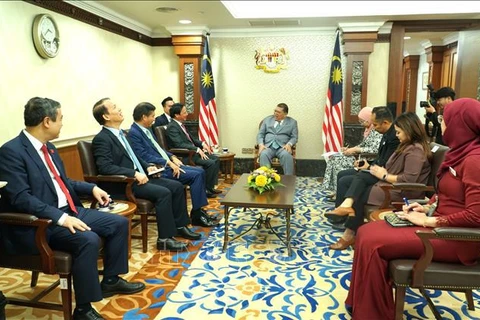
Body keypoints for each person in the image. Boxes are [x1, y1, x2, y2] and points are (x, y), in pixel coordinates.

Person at [0, 97, 145, 320]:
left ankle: (111, 280)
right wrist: (60, 217)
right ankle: (83, 309)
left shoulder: (49, 148)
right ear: (47, 121)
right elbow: (20, 198)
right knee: (87, 239)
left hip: (68, 209)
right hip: (41, 222)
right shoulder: (11, 151)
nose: (62, 123)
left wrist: (92, 187)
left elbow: (63, 181)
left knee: (118, 223)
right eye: (60, 119)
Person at [345, 98, 480, 320]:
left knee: (373, 240)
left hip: (457, 238)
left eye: (444, 120)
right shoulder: (463, 153)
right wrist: (427, 205)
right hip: (441, 223)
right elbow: (451, 195)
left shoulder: (475, 160)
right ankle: (366, 304)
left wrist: (430, 221)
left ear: (460, 124)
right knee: (366, 232)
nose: (442, 125)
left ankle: (373, 313)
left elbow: (476, 215)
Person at [91, 98, 201, 252]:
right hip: (125, 184)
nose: (120, 109)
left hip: (141, 178)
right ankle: (164, 239)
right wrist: (134, 173)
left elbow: (134, 157)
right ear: (106, 116)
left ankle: (180, 226)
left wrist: (147, 166)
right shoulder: (101, 139)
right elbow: (105, 167)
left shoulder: (122, 134)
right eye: (115, 107)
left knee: (176, 186)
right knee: (164, 193)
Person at [326, 112, 432, 250]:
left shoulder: (415, 151)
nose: (396, 135)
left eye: (399, 132)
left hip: (401, 191)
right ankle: (348, 211)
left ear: (408, 130)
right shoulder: (406, 145)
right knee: (359, 177)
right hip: (389, 184)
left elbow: (408, 179)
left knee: (359, 192)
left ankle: (349, 232)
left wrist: (384, 176)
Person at [127, 102, 219, 227]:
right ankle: (197, 215)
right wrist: (168, 163)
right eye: (152, 116)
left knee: (200, 172)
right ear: (144, 117)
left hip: (168, 163)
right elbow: (143, 156)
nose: (155, 119)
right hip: (159, 169)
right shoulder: (134, 133)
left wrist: (172, 157)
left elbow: (159, 149)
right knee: (196, 175)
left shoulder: (146, 130)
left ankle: (198, 211)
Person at [326, 106, 400, 230]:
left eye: (375, 125)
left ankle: (344, 212)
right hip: (376, 169)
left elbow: (387, 163)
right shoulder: (386, 133)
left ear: (385, 122)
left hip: (383, 174)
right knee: (343, 175)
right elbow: (380, 157)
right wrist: (366, 164)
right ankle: (341, 214)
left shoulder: (394, 137)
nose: (374, 128)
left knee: (347, 180)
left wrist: (370, 166)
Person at [320, 106, 382, 195]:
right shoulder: (368, 130)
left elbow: (374, 149)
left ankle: (339, 191)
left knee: (338, 161)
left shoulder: (376, 131)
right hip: (359, 156)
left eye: (362, 121)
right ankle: (336, 190)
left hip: (366, 160)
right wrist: (350, 149)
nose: (361, 124)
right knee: (334, 158)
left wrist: (356, 149)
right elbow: (362, 145)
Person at [166, 103, 221, 195]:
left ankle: (209, 187)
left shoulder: (181, 125)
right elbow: (179, 144)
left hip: (193, 153)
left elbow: (191, 139)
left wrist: (202, 143)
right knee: (210, 163)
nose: (187, 114)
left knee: (216, 159)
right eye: (184, 112)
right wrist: (196, 149)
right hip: (185, 155)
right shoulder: (172, 127)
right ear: (176, 115)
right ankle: (205, 190)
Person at [256, 103, 298, 175]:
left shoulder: (292, 122)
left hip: (283, 147)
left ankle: (289, 180)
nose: (275, 113)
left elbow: (294, 137)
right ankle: (266, 179)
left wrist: (289, 144)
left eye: (278, 112)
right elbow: (260, 134)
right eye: (275, 111)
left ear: (285, 114)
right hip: (268, 147)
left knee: (287, 156)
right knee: (263, 154)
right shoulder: (267, 120)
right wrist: (261, 144)